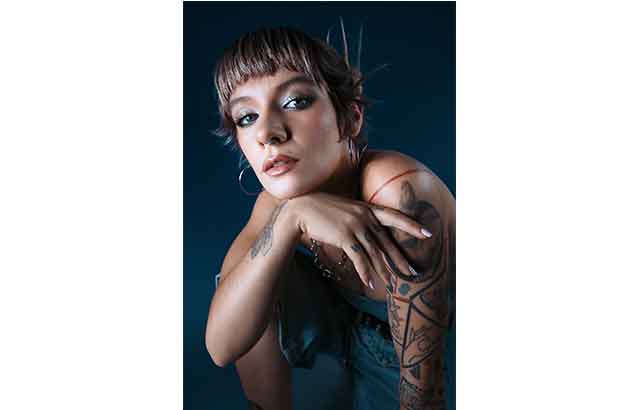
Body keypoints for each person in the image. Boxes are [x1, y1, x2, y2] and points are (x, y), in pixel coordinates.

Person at [205, 24, 455, 410]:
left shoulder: (398, 191)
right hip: (360, 361)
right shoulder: (278, 206)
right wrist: (291, 218)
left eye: (295, 102)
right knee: (253, 273)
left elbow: (425, 396)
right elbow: (222, 346)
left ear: (350, 118)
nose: (267, 133)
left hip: (445, 374)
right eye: (247, 117)